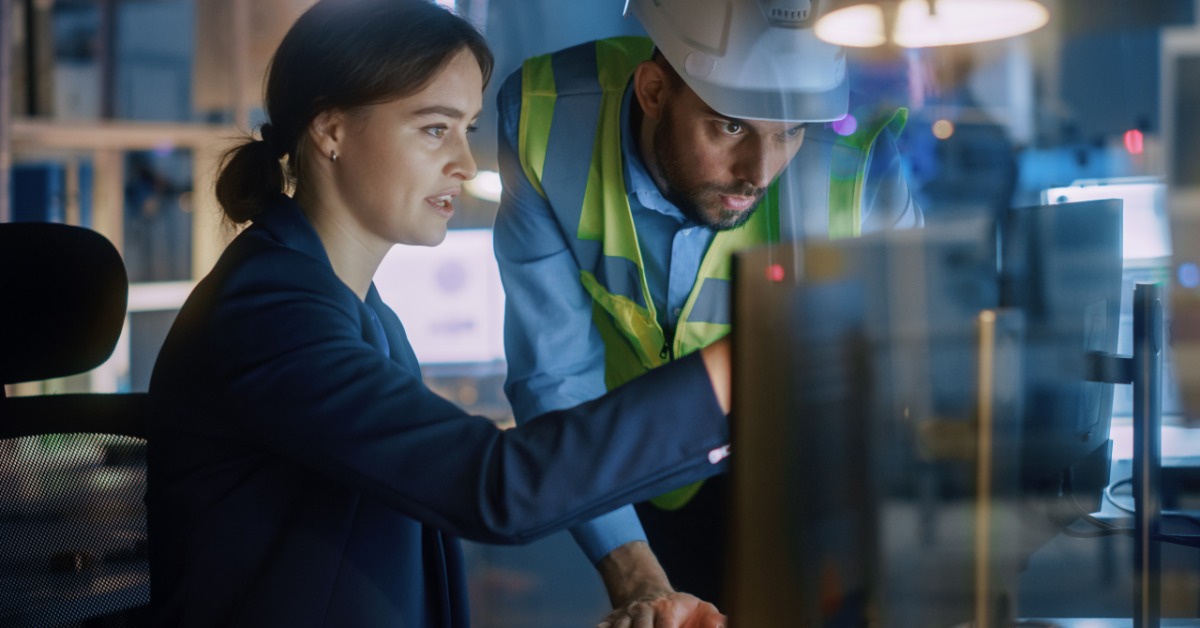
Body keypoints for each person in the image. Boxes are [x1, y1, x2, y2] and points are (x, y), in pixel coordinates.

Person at [145, 1, 734, 626]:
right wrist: (731, 376)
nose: (466, 164)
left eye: (468, 130)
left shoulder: (362, 312)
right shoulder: (269, 310)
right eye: (434, 129)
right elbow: (494, 487)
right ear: (331, 131)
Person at [493, 0, 924, 609]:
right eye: (731, 126)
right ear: (652, 90)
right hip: (618, 468)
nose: (761, 172)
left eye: (791, 132)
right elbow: (554, 375)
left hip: (801, 471)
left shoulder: (860, 158)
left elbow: (909, 371)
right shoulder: (546, 117)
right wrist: (637, 576)